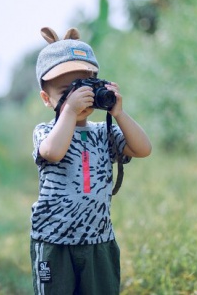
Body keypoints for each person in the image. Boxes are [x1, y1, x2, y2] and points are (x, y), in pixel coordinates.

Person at [30, 27, 152, 295]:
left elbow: (143, 149)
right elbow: (54, 152)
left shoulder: (103, 132)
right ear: (46, 99)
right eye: (66, 90)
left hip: (98, 240)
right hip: (54, 241)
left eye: (84, 87)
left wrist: (118, 113)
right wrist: (70, 112)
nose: (77, 96)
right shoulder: (46, 131)